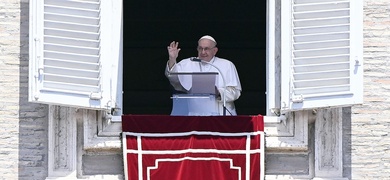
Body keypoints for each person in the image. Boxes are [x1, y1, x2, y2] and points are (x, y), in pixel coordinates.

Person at [165, 35, 242, 115]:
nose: (203, 52)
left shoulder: (227, 65)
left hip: (221, 115)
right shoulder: (188, 63)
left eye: (206, 49)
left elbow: (235, 92)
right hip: (195, 115)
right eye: (200, 48)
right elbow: (173, 78)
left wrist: (219, 92)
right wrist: (172, 59)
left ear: (215, 50)